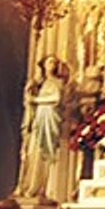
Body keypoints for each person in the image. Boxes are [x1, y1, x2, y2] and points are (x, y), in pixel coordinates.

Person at [18, 55, 66, 199]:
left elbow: (57, 99)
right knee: (35, 149)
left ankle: (44, 186)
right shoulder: (41, 84)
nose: (52, 65)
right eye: (50, 62)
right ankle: (32, 184)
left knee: (47, 151)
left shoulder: (58, 82)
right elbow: (29, 101)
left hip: (50, 118)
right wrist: (29, 95)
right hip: (40, 118)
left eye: (55, 63)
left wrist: (36, 100)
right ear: (43, 65)